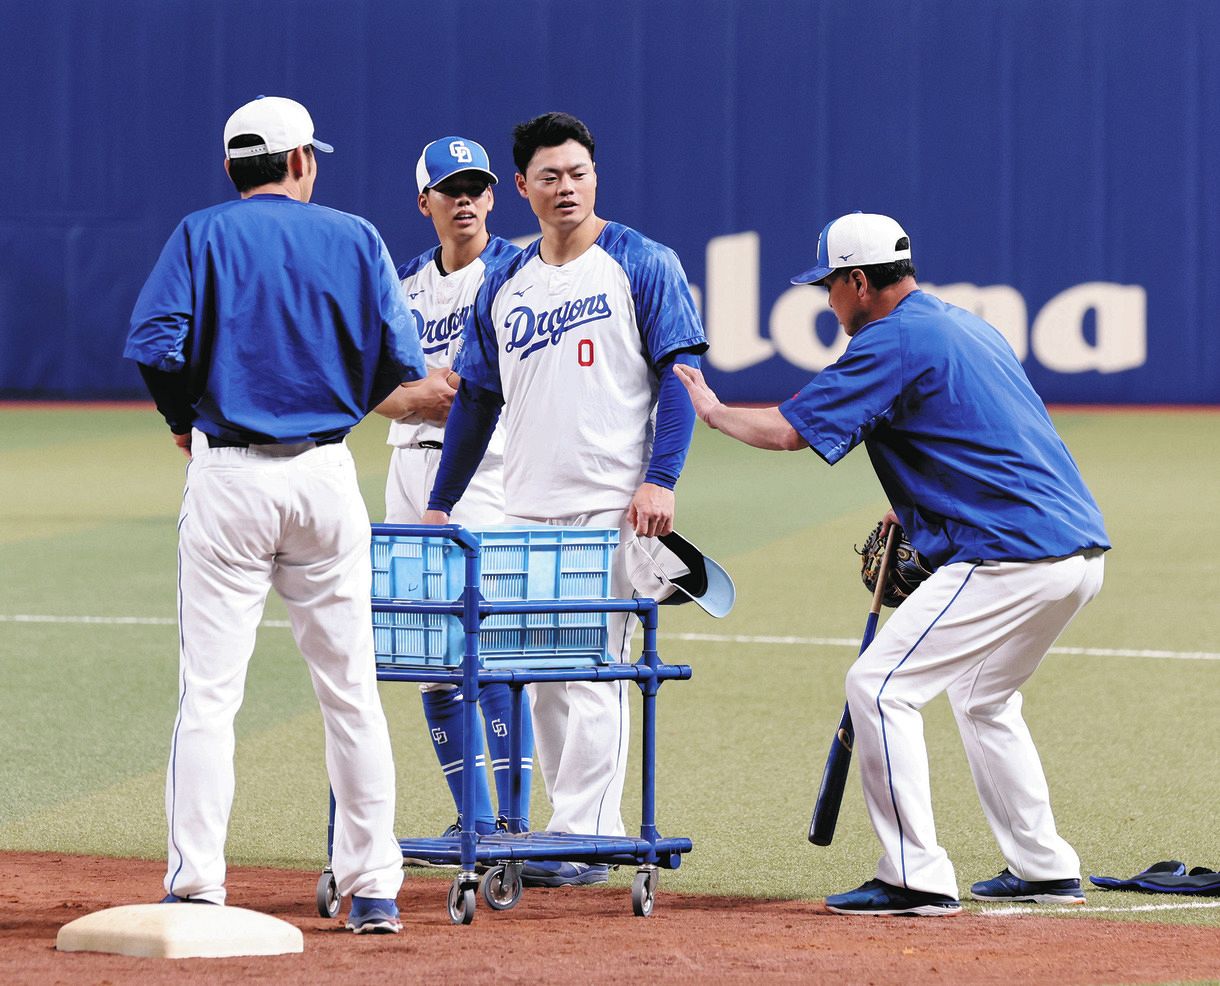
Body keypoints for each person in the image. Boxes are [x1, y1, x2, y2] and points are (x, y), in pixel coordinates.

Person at [674, 212, 1109, 916]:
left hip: (1010, 552)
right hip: (1077, 551)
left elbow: (789, 431)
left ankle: (915, 876)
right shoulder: (963, 325)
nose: (827, 301)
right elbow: (978, 430)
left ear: (856, 281)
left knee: (877, 687)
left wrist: (713, 410)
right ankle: (1043, 866)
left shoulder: (890, 340)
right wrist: (911, 504)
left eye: (828, 286)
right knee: (981, 696)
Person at [123, 95, 425, 934]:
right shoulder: (356, 235)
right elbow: (400, 363)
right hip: (326, 478)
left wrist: (183, 416)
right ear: (299, 161)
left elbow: (154, 344)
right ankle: (374, 889)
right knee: (352, 692)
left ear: (231, 168)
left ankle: (197, 888)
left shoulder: (202, 233)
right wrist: (336, 409)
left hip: (230, 479)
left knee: (211, 697)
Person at [421, 112, 707, 887]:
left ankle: (586, 835)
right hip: (527, 507)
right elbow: (477, 402)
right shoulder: (505, 283)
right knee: (542, 671)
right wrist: (443, 501)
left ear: (595, 177)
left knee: (589, 669)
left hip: (612, 501)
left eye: (577, 172)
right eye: (549, 176)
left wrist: (661, 479)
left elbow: (679, 380)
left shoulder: (641, 262)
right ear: (523, 187)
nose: (566, 186)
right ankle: (568, 826)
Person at [373, 136, 533, 841]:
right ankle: (468, 819)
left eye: (476, 186)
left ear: (494, 197)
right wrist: (412, 399)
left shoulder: (520, 272)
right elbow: (375, 384)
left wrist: (447, 395)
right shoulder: (403, 283)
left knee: (489, 642)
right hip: (408, 466)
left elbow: (494, 385)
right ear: (425, 202)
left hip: (486, 470)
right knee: (428, 651)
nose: (464, 198)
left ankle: (512, 823)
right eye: (450, 188)